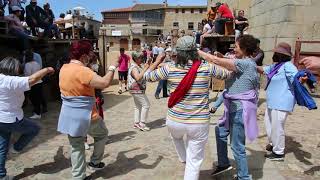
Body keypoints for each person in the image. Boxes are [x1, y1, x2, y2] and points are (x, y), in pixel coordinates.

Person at [144, 36, 231, 180]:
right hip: (199, 123)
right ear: (195, 51)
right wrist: (216, 58)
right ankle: (188, 161)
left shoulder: (169, 68)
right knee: (194, 162)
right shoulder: (206, 67)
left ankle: (183, 157)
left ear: (178, 52)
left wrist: (156, 61)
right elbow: (227, 74)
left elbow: (147, 77)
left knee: (176, 137)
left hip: (175, 120)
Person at [198, 35, 259, 180]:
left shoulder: (246, 64)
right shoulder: (246, 62)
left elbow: (216, 61)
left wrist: (198, 52)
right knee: (220, 131)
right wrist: (222, 57)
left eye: (236, 47)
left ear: (244, 49)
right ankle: (224, 163)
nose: (234, 49)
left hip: (240, 110)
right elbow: (227, 61)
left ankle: (244, 176)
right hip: (234, 109)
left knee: (237, 147)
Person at [57, 40, 118, 180]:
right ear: (84, 56)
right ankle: (95, 162)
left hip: (69, 114)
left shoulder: (64, 68)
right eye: (90, 52)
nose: (91, 55)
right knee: (102, 135)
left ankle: (78, 176)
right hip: (87, 115)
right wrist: (112, 68)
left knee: (76, 146)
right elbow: (104, 83)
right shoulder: (84, 71)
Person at [0, 57, 54, 180]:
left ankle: (1, 175)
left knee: (2, 147)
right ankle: (16, 148)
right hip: (11, 119)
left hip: (0, 120)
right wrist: (46, 69)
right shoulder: (11, 81)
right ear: (14, 68)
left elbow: (31, 81)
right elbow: (32, 79)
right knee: (34, 129)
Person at [256, 42, 298, 161]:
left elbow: (296, 77)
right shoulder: (276, 66)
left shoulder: (288, 66)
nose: (274, 54)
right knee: (269, 124)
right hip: (273, 102)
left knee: (277, 127)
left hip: (282, 102)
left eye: (276, 53)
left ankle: (278, 152)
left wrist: (302, 78)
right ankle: (274, 144)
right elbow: (262, 69)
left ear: (281, 55)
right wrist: (249, 64)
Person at [128, 51, 151, 131]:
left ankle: (137, 123)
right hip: (136, 89)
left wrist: (147, 65)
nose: (142, 59)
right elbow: (137, 77)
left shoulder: (137, 66)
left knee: (137, 106)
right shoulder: (134, 67)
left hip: (136, 90)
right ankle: (142, 124)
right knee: (146, 105)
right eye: (140, 58)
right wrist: (145, 68)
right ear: (136, 58)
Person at [24, 49, 46, 119]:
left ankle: (37, 113)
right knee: (38, 98)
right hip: (39, 82)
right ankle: (37, 112)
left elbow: (28, 75)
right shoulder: (37, 63)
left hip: (33, 84)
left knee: (33, 98)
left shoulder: (27, 64)